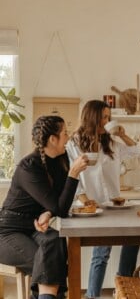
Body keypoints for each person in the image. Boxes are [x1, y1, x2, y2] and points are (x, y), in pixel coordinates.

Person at [0, 115, 89, 299]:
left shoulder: (60, 160)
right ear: (52, 139)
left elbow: (58, 205)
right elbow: (60, 207)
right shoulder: (29, 166)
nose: (69, 136)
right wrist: (73, 174)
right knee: (50, 263)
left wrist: (48, 212)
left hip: (34, 227)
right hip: (8, 232)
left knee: (55, 239)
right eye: (65, 133)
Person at [66, 99, 140, 299]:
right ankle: (93, 296)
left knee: (133, 241)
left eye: (109, 117)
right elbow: (73, 176)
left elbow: (136, 151)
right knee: (101, 254)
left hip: (114, 204)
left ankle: (124, 289)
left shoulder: (110, 142)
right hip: (92, 208)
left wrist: (123, 134)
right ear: (92, 118)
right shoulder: (74, 143)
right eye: (104, 117)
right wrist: (85, 201)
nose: (107, 121)